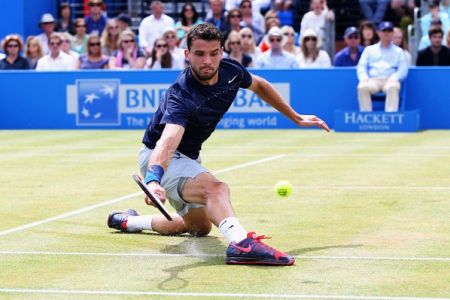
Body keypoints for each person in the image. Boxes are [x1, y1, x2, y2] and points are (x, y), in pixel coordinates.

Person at [107, 23, 329, 266]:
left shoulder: (230, 70)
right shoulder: (182, 94)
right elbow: (167, 142)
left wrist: (295, 116)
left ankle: (128, 221)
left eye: (214, 53)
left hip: (188, 158)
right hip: (160, 158)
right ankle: (241, 244)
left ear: (222, 52)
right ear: (187, 55)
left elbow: (259, 85)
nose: (207, 61)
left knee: (198, 227)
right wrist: (153, 178)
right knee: (216, 189)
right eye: (199, 54)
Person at [356, 21, 408, 112]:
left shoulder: (399, 51)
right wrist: (364, 77)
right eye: (384, 31)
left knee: (393, 87)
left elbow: (403, 69)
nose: (387, 34)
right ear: (379, 33)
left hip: (390, 79)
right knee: (362, 87)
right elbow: (361, 66)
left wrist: (395, 77)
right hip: (373, 80)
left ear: (392, 33)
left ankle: (390, 118)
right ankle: (365, 118)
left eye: (389, 31)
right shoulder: (369, 50)